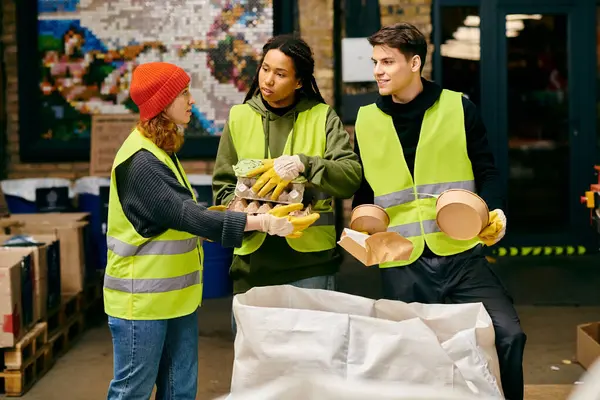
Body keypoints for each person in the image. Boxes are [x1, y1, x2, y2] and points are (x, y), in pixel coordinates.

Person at [103, 61, 316, 400]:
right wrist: (262, 222)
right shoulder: (141, 162)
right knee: (133, 392)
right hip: (140, 305)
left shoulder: (160, 151)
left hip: (176, 301)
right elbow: (185, 215)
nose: (191, 101)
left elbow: (173, 219)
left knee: (180, 391)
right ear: (162, 102)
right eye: (183, 93)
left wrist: (229, 212)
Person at [351, 23, 526, 400]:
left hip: (461, 254)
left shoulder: (457, 106)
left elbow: (487, 171)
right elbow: (367, 186)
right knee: (409, 357)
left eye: (388, 61)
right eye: (375, 62)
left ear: (414, 63)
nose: (378, 70)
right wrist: (360, 221)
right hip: (401, 260)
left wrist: (496, 212)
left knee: (509, 334)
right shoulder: (365, 119)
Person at [212, 35, 362, 313]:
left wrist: (306, 164)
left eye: (280, 74)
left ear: (299, 81)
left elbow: (350, 177)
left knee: (315, 354)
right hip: (253, 265)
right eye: (265, 69)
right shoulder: (239, 117)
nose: (267, 80)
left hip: (310, 264)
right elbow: (222, 186)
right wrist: (251, 211)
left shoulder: (322, 117)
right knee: (257, 356)